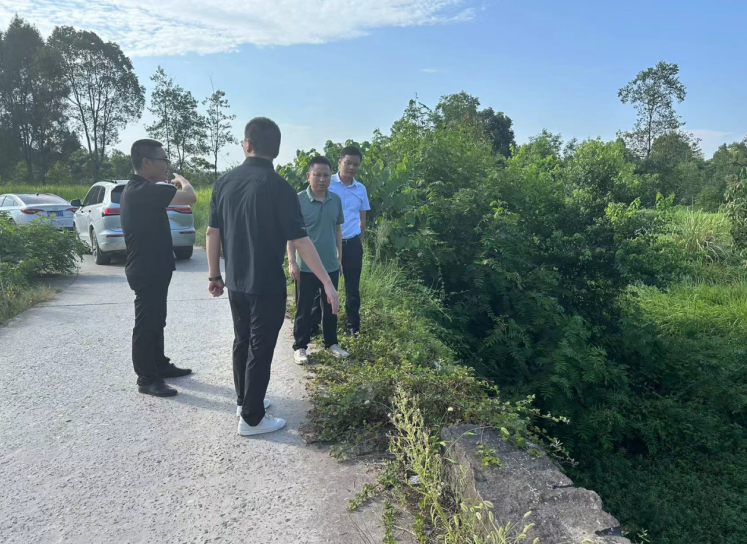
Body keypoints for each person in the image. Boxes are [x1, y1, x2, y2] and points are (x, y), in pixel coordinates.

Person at [206, 117, 340, 437]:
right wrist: (327, 282)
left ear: (247, 145)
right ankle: (252, 419)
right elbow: (301, 240)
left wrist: (214, 275)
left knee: (242, 341)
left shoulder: (223, 183)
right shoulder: (280, 189)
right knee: (260, 347)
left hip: (236, 282)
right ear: (276, 150)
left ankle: (244, 401)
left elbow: (212, 232)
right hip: (266, 284)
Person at [120, 139, 197, 398]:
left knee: (157, 319)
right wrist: (182, 180)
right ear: (146, 162)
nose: (167, 166)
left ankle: (159, 364)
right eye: (164, 160)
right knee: (147, 323)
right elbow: (191, 197)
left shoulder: (143, 189)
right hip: (146, 268)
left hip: (154, 266)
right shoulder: (141, 190)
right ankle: (147, 378)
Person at [288, 157, 349, 365]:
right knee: (304, 308)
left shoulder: (335, 200)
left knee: (331, 306)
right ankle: (300, 346)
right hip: (305, 266)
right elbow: (291, 235)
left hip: (330, 264)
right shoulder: (298, 200)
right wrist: (292, 262)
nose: (322, 179)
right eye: (317, 175)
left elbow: (337, 229)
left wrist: (339, 256)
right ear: (308, 176)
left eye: (326, 175)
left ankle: (331, 343)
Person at [324, 146, 370, 337]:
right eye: (348, 163)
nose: (351, 167)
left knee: (352, 288)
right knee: (326, 284)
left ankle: (353, 326)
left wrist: (359, 242)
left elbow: (362, 219)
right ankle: (322, 325)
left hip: (352, 243)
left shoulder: (361, 189)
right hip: (328, 244)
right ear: (340, 162)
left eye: (356, 164)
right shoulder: (328, 184)